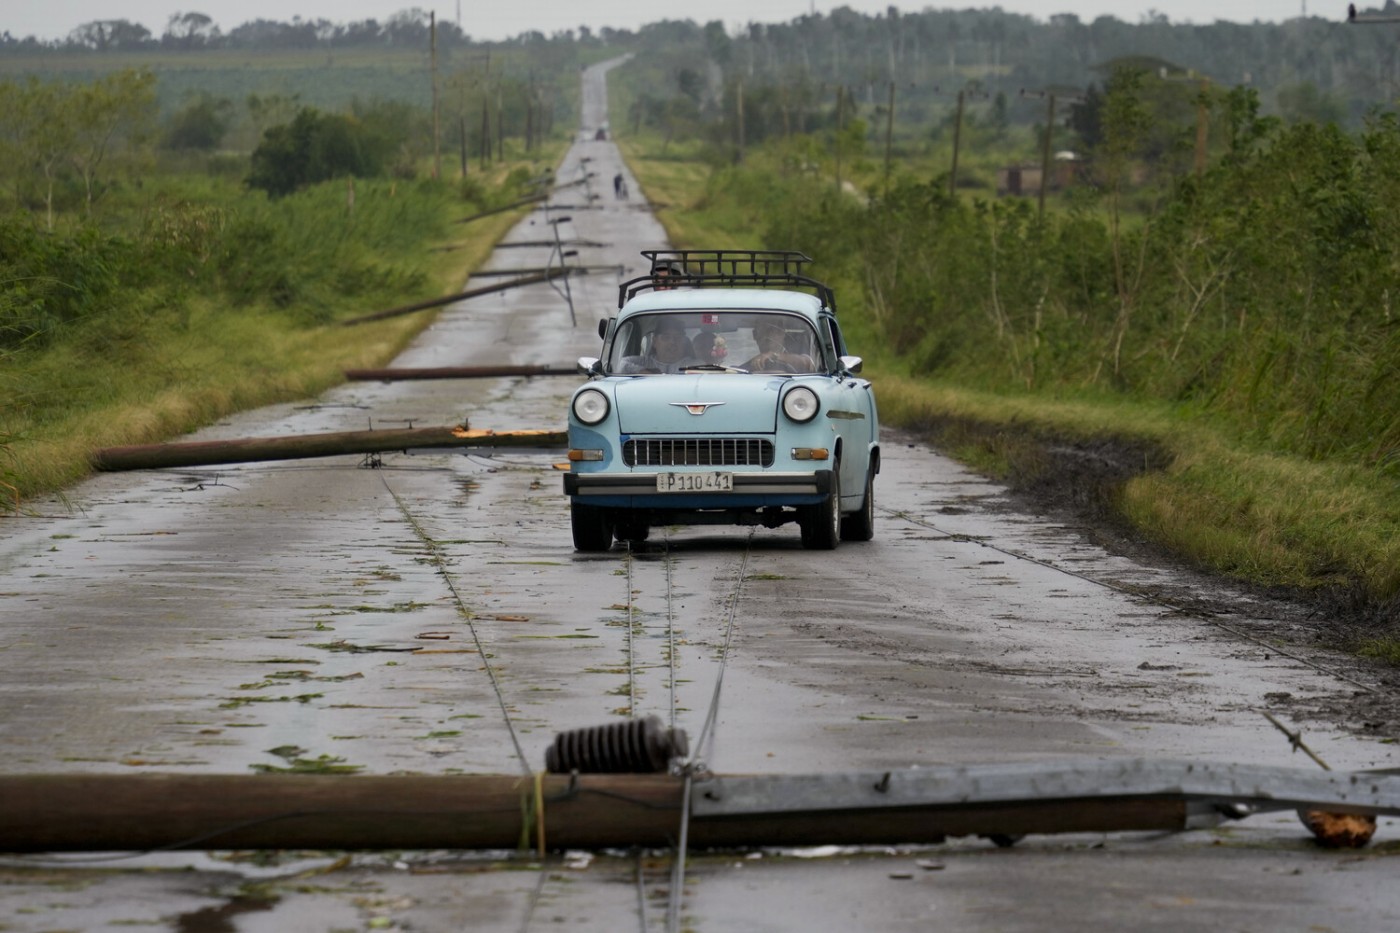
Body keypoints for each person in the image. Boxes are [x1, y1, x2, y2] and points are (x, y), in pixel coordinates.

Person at [619, 318, 700, 373]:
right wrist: (643, 371)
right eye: (666, 337)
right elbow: (619, 364)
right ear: (654, 341)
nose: (672, 342)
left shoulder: (694, 365)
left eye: (677, 338)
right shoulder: (644, 362)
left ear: (683, 342)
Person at [741, 320, 816, 372]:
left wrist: (775, 355)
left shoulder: (796, 357)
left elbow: (809, 364)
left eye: (772, 330)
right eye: (762, 331)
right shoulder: (747, 366)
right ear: (755, 335)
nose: (768, 336)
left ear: (782, 333)